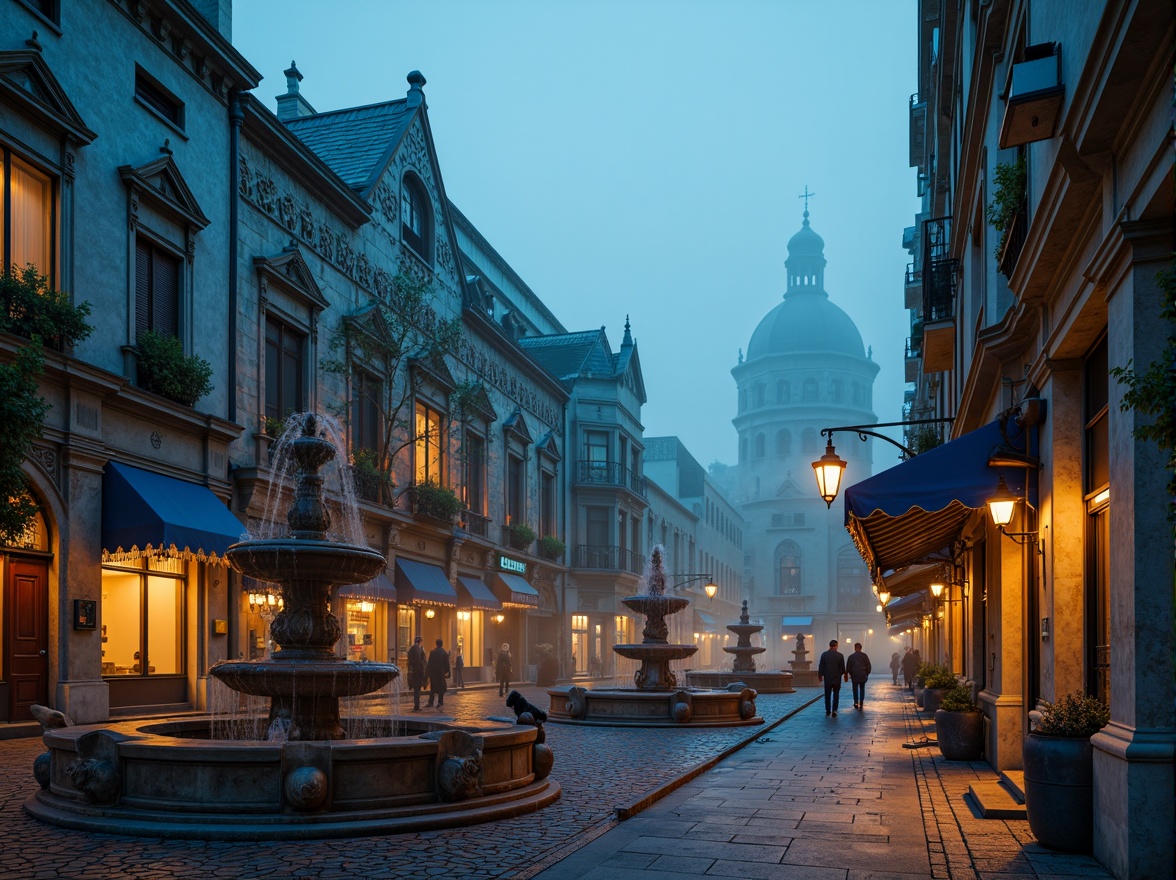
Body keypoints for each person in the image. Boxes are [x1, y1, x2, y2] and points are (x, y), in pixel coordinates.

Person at [817, 638, 847, 716]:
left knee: (827, 694)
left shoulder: (824, 654)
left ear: (829, 646)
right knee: (836, 694)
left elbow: (821, 666)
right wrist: (842, 674)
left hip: (827, 678)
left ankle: (827, 710)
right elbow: (842, 668)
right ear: (836, 646)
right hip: (837, 678)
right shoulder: (840, 655)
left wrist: (820, 675)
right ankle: (834, 710)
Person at [425, 638, 450, 708]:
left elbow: (429, 664)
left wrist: (426, 675)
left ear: (436, 644)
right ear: (442, 644)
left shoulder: (432, 652)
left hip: (433, 674)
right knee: (441, 688)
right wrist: (447, 673)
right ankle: (440, 702)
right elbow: (447, 665)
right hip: (441, 674)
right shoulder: (445, 653)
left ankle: (431, 702)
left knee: (433, 688)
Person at [846, 642, 872, 710]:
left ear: (855, 648)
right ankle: (861, 702)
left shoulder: (851, 657)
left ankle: (855, 702)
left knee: (855, 689)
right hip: (863, 674)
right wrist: (866, 673)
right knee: (862, 688)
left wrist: (851, 674)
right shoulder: (864, 656)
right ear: (861, 648)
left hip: (854, 675)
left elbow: (849, 667)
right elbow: (868, 665)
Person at [406, 636, 426, 711]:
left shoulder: (411, 649)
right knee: (417, 690)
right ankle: (417, 705)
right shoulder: (420, 649)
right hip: (418, 672)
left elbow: (409, 661)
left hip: (414, 672)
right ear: (420, 641)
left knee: (416, 690)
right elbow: (423, 661)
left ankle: (416, 705)